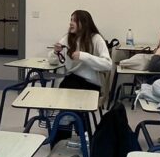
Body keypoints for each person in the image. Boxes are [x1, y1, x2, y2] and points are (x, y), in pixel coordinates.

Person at [48, 10, 113, 144]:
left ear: (84, 23)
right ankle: (75, 133)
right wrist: (55, 52)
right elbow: (53, 61)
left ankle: (72, 131)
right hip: (72, 81)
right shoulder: (68, 38)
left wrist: (84, 56)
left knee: (69, 104)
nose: (71, 23)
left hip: (90, 84)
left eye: (74, 20)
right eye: (71, 19)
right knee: (67, 94)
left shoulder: (96, 38)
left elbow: (107, 65)